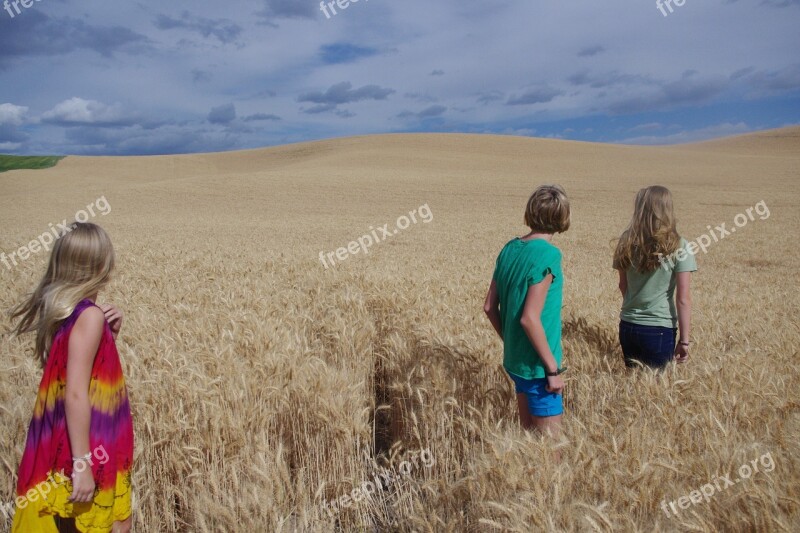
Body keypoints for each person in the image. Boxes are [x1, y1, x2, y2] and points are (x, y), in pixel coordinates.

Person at [9, 222, 133, 533]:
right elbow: (75, 393)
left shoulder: (69, 314)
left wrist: (109, 338)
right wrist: (82, 464)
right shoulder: (88, 316)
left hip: (79, 447)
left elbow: (81, 374)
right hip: (92, 447)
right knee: (113, 525)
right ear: (100, 265)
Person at [484, 185, 570, 436]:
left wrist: (510, 340)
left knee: (530, 444)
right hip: (538, 367)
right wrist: (552, 370)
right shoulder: (549, 254)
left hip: (515, 360)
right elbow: (530, 318)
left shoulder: (509, 249)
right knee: (550, 455)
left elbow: (489, 307)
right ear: (562, 217)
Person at [613, 185, 696, 369]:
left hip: (627, 325)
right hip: (659, 329)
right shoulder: (679, 245)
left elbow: (623, 285)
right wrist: (684, 341)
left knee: (633, 388)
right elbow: (683, 299)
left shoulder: (626, 241)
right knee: (655, 393)